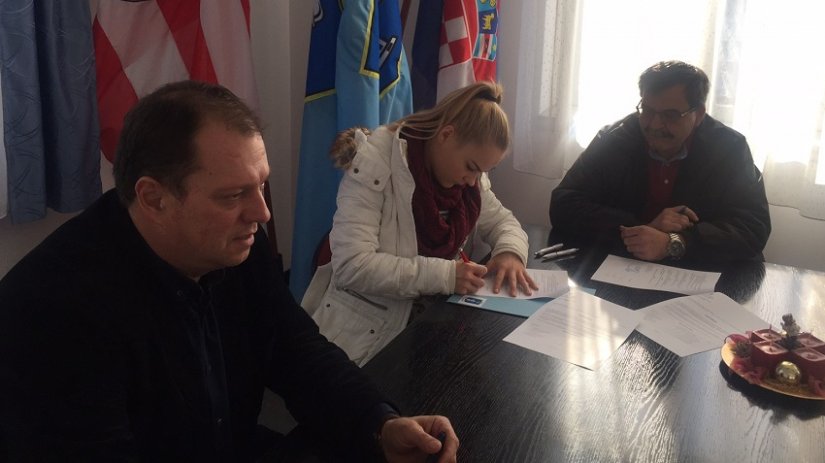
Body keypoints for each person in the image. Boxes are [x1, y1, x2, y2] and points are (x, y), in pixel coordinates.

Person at [0, 81, 458, 462]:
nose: (261, 213)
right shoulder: (52, 311)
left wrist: (378, 424)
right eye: (233, 195)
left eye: (261, 185)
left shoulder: (232, 239)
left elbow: (292, 346)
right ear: (154, 198)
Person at [302, 82, 537, 366]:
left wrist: (510, 253)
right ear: (446, 135)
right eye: (471, 168)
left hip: (429, 323)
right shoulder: (374, 162)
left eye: (482, 172)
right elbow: (352, 266)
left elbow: (503, 221)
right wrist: (445, 276)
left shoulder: (467, 179)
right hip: (363, 336)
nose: (473, 181)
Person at [549, 60, 771, 264]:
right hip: (625, 266)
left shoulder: (729, 148)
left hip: (700, 271)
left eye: (670, 115)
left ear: (699, 114)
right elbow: (563, 204)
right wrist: (642, 226)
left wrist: (675, 242)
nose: (655, 124)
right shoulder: (614, 139)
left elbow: (753, 227)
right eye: (647, 110)